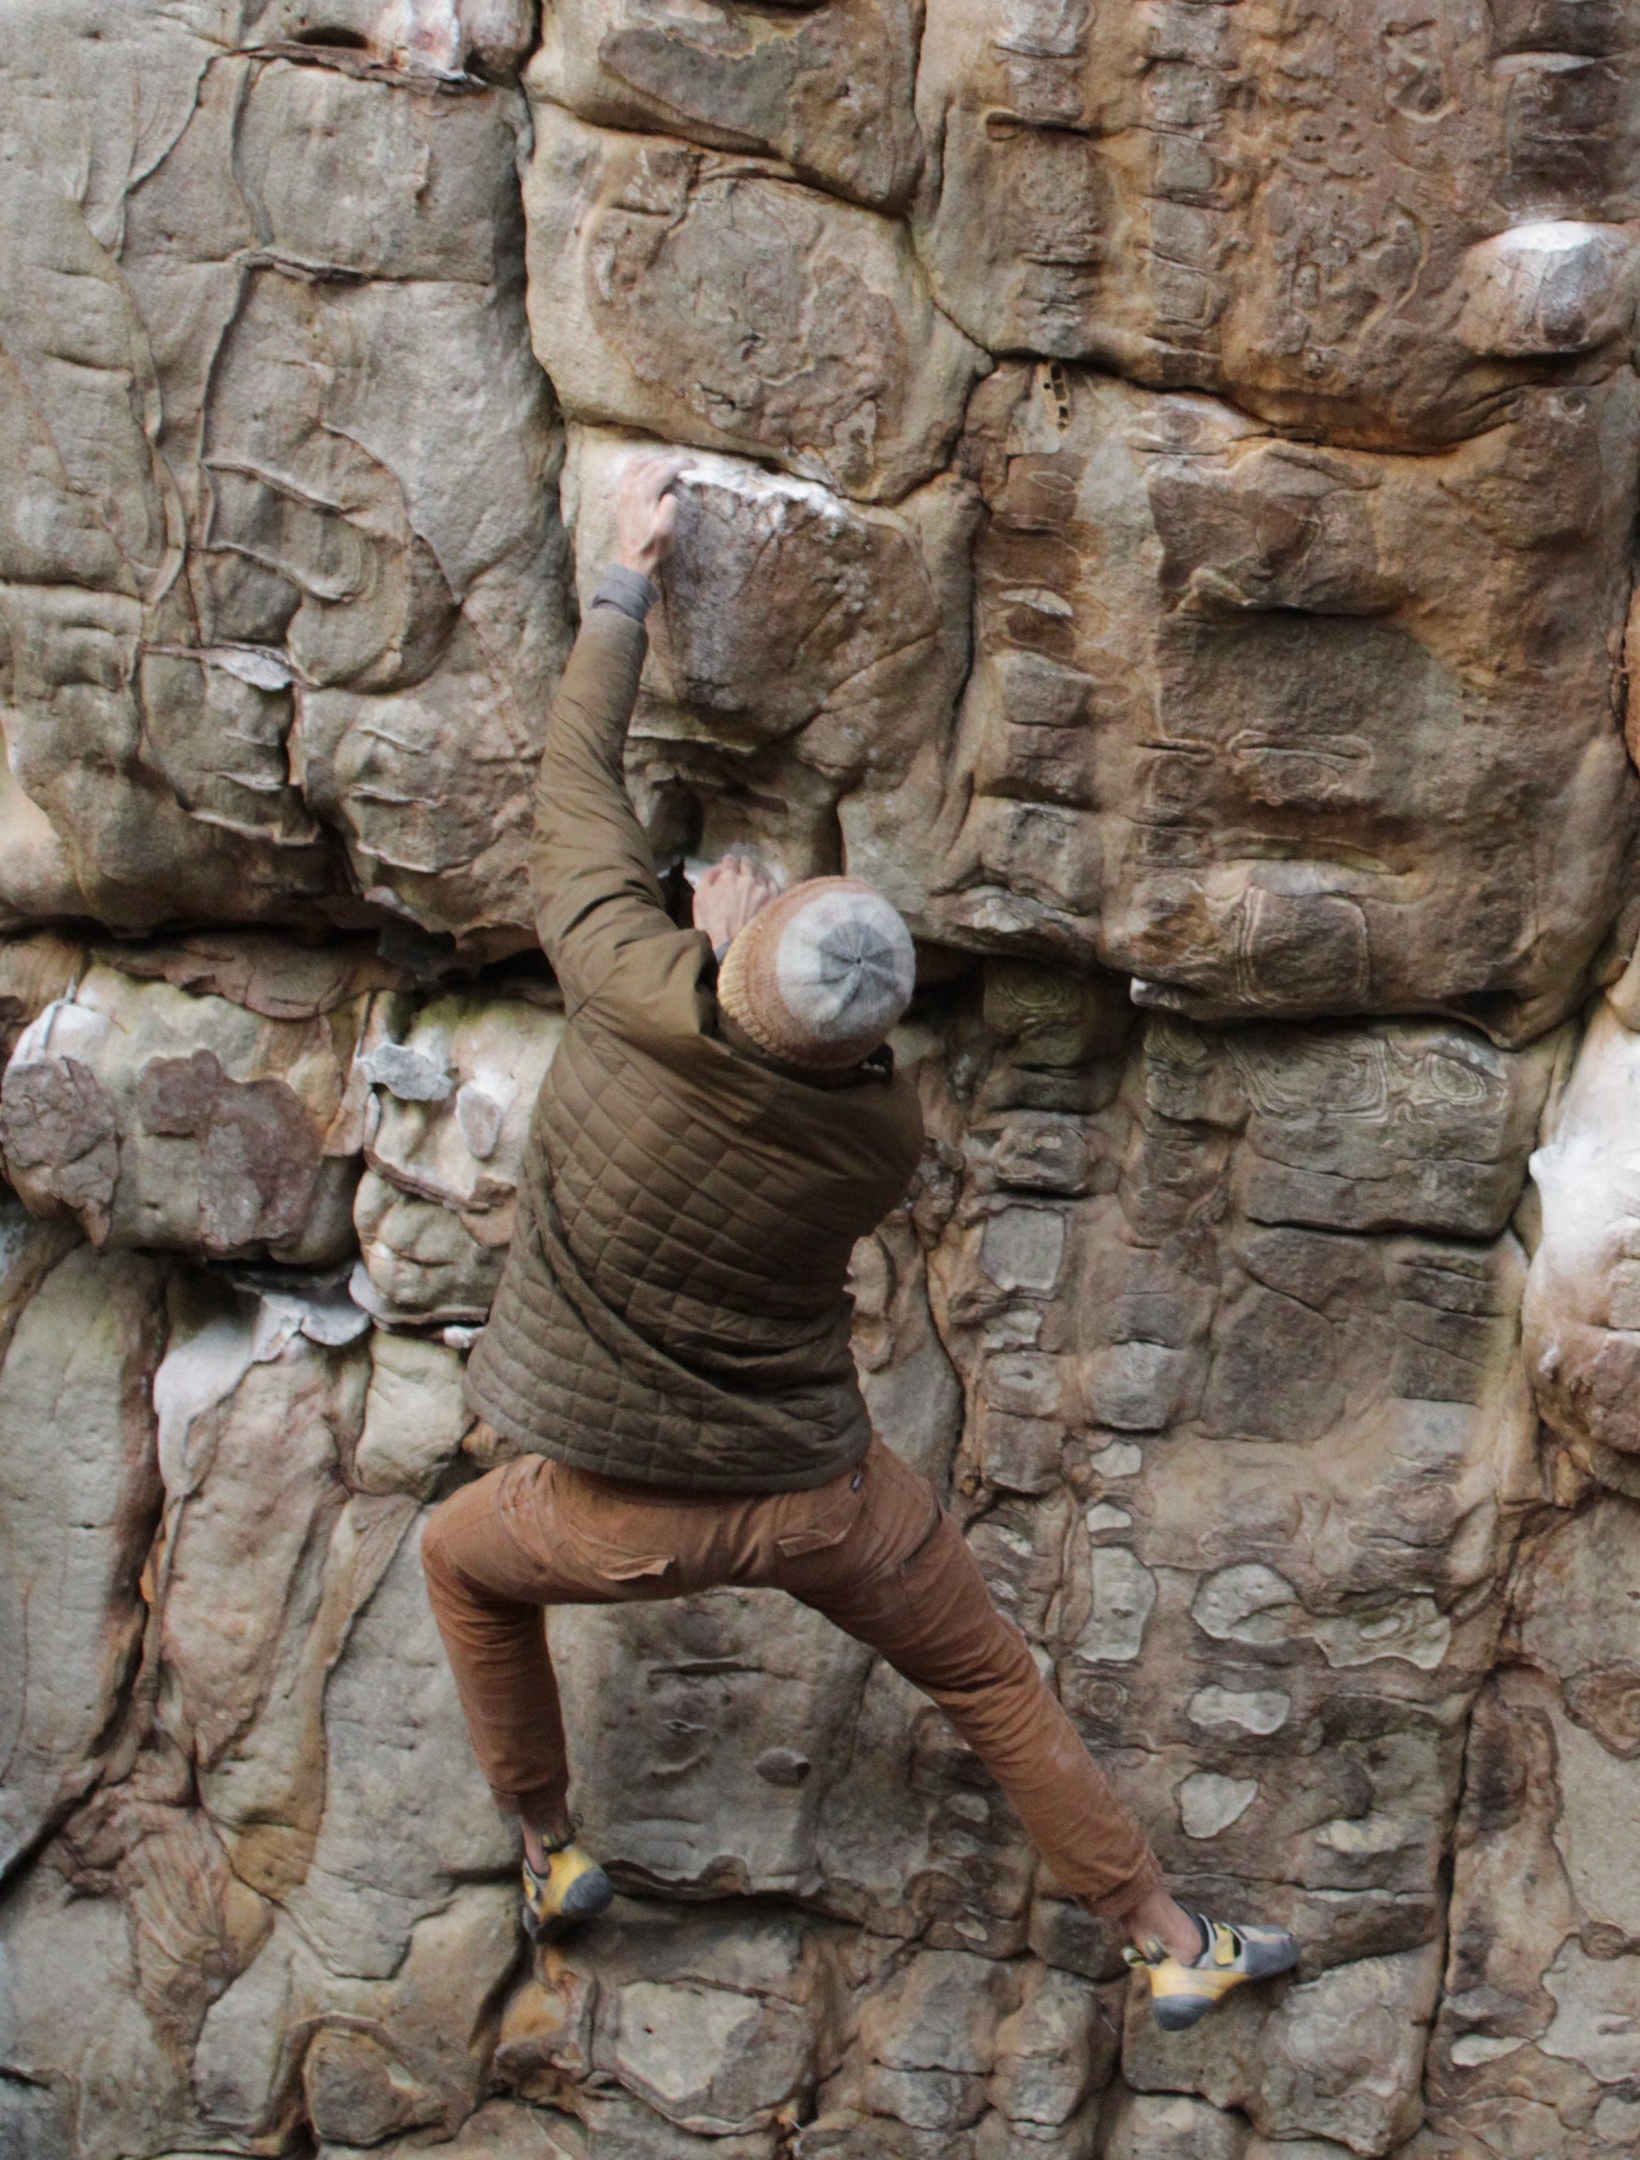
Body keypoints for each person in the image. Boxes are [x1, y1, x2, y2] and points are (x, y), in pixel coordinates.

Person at [416, 456, 1297, 2033]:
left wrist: (629, 579)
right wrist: (749, 953)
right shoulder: (873, 1136)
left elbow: (573, 779)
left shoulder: (624, 982)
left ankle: (547, 1847)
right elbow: (794, 1063)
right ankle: (1164, 1935)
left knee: (459, 1563)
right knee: (991, 1687)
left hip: (609, 1511)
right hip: (817, 1503)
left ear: (722, 952)